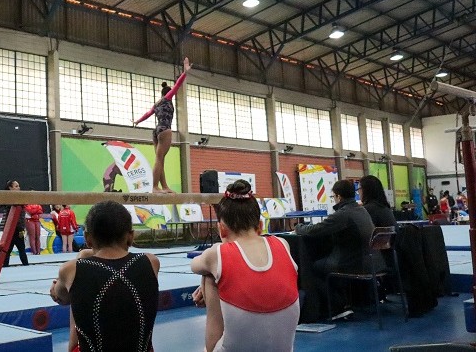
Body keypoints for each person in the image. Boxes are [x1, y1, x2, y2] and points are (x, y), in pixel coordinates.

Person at [190, 180, 299, 351]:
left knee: (208, 276)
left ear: (221, 229)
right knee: (219, 272)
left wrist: (208, 282)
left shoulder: (217, 252)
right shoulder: (282, 244)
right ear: (261, 227)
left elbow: (194, 266)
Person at [49, 200, 160, 352]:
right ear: (131, 236)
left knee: (76, 286)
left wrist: (55, 289)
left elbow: (61, 297)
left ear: (87, 238)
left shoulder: (70, 269)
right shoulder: (151, 262)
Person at [295, 179, 377, 317]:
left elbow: (314, 230)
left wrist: (298, 227)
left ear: (338, 196)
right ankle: (342, 303)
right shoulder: (362, 210)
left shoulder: (343, 214)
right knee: (328, 265)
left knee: (312, 269)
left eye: (333, 196)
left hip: (355, 263)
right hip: (372, 261)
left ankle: (337, 307)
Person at [133, 56, 191, 193]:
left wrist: (137, 121)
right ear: (168, 93)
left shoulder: (157, 103)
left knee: (160, 158)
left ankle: (164, 186)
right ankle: (154, 187)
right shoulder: (167, 98)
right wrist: (185, 72)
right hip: (165, 130)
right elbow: (178, 85)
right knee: (160, 158)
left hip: (156, 130)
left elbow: (148, 114)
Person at [1, 180, 28, 266]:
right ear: (10, 188)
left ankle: (25, 264)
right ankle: (5, 265)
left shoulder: (19, 198)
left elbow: (21, 216)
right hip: (11, 228)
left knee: (20, 248)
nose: (19, 188)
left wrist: (22, 228)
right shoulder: (8, 199)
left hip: (17, 228)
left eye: (18, 186)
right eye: (16, 186)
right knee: (8, 249)